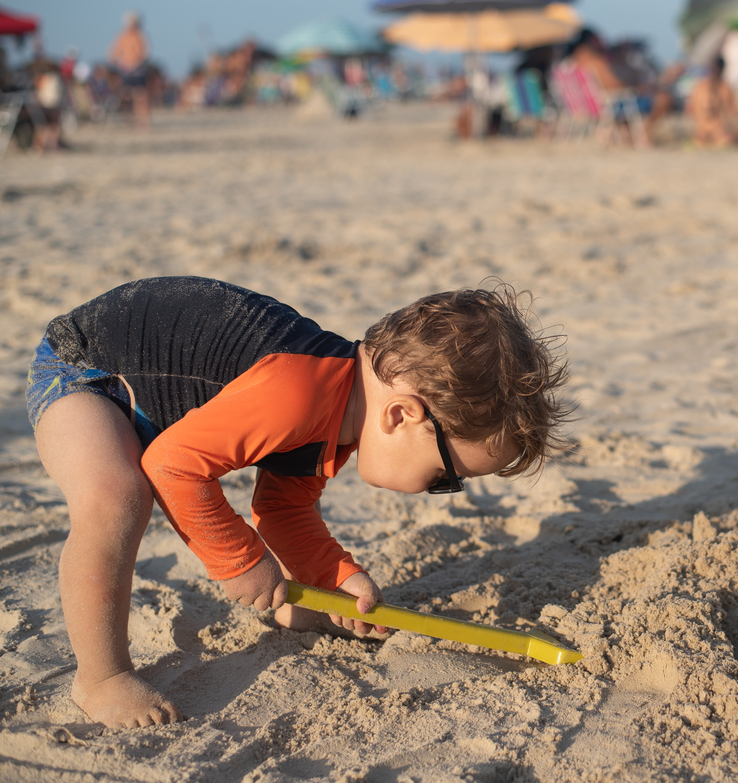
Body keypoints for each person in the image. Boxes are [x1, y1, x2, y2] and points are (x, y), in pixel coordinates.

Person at [26, 277, 573, 729]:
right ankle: (101, 676)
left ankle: (297, 606)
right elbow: (172, 465)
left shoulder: (337, 413)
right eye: (445, 476)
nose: (438, 490)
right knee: (116, 497)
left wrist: (336, 577)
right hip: (87, 373)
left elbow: (284, 508)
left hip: (146, 399)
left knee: (135, 493)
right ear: (401, 415)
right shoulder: (300, 393)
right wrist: (239, 561)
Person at [687, 55, 738, 148]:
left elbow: (691, 110)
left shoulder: (699, 86)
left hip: (700, 132)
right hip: (719, 132)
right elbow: (733, 114)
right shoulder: (724, 88)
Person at [108, 11, 151, 129]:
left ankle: (143, 123)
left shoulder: (141, 36)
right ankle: (129, 122)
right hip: (126, 70)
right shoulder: (122, 36)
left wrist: (134, 63)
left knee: (140, 97)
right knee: (125, 97)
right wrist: (122, 63)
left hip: (137, 70)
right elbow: (112, 54)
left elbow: (145, 53)